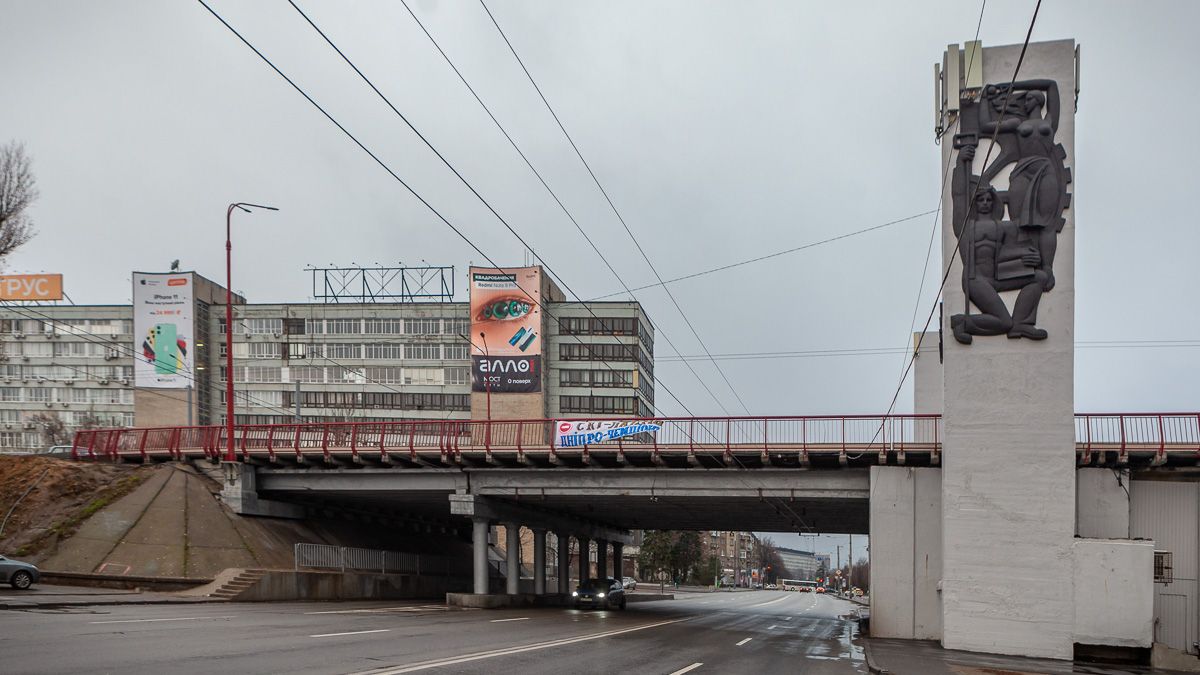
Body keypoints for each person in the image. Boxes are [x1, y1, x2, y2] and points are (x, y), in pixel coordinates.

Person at [950, 145, 1050, 344]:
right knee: (1004, 322)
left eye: (988, 199)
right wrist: (961, 163)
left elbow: (1009, 251)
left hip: (998, 275)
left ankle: (1022, 323)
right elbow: (959, 196)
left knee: (1039, 276)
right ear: (975, 203)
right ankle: (962, 322)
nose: (985, 203)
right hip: (976, 278)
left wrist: (1033, 258)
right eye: (981, 200)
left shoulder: (1004, 227)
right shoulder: (965, 226)